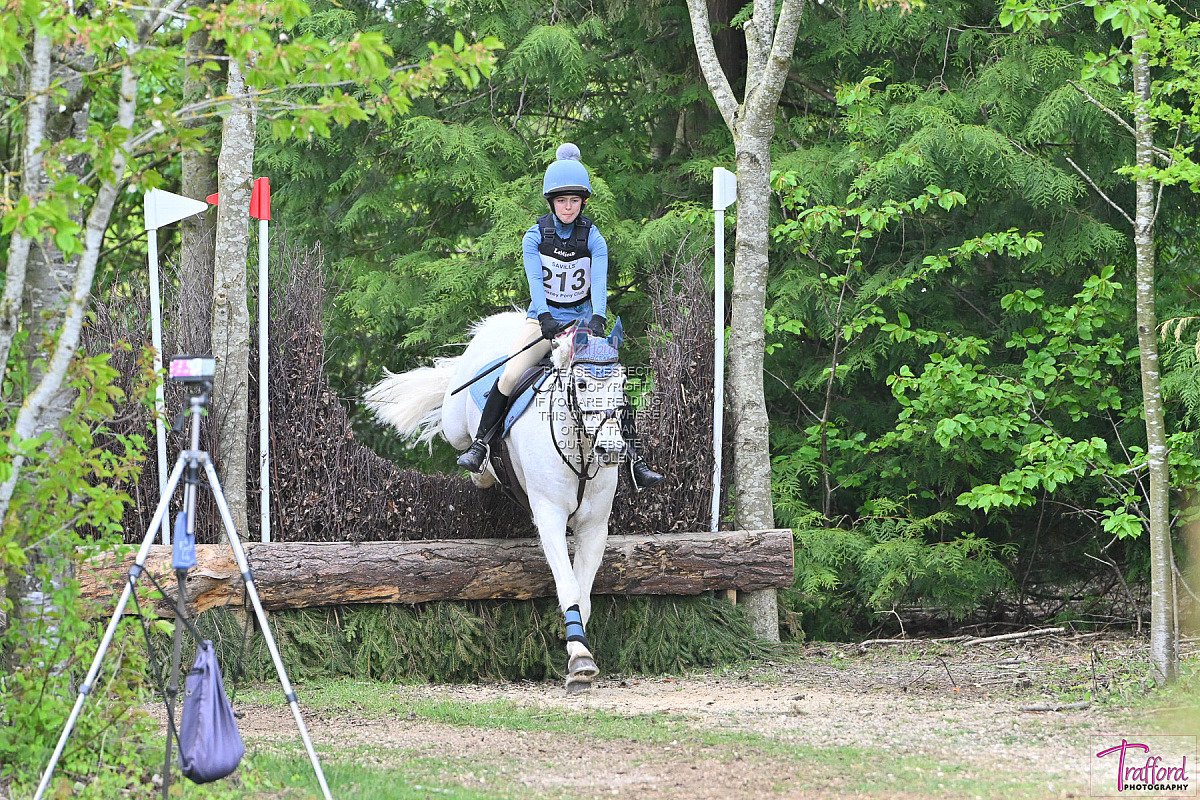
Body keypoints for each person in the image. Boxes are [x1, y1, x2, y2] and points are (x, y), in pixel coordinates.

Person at [456, 143, 663, 490]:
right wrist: (545, 317)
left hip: (581, 325)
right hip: (543, 323)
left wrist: (598, 318)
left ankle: (636, 460)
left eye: (574, 200)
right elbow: (536, 282)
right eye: (562, 200)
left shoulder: (593, 238)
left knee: (609, 382)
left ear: (583, 202)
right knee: (510, 375)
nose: (568, 207)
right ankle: (480, 445)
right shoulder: (535, 236)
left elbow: (599, 281)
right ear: (551, 202)